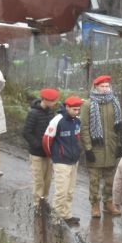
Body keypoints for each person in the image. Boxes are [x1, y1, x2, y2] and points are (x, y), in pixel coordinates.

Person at [80, 75, 122, 218]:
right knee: (94, 180)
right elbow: (84, 127)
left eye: (107, 86)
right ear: (96, 87)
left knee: (110, 179)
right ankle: (95, 204)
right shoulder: (88, 104)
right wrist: (88, 148)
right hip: (95, 148)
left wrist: (119, 145)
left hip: (110, 147)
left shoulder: (114, 103)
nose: (105, 89)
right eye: (102, 86)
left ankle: (108, 203)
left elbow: (119, 126)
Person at [43, 96, 83, 227]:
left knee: (70, 191)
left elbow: (77, 138)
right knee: (61, 191)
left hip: (74, 161)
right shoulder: (57, 120)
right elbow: (47, 141)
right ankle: (55, 219)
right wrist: (55, 156)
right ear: (67, 107)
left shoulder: (77, 121)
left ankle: (66, 215)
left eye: (78, 109)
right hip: (61, 161)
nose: (77, 112)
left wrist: (78, 151)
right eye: (74, 109)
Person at [22, 88, 59, 209]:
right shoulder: (33, 113)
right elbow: (26, 132)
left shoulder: (50, 112)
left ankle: (44, 200)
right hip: (37, 153)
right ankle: (37, 204)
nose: (54, 103)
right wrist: (38, 144)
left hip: (48, 153)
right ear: (45, 100)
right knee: (39, 180)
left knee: (47, 179)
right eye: (52, 101)